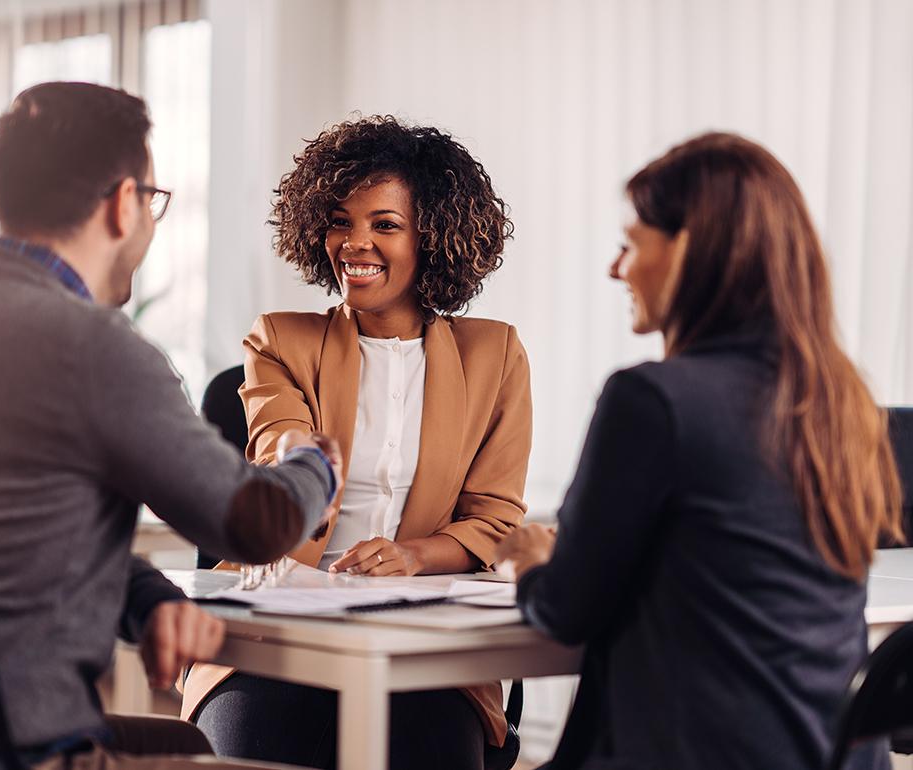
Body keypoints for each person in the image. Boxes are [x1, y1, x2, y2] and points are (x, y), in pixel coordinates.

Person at [0, 81, 341, 770]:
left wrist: (151, 601)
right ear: (124, 203)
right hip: (7, 754)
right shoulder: (92, 345)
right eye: (155, 203)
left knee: (188, 745)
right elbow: (258, 524)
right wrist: (317, 461)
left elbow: (21, 551)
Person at [496, 132, 904, 770]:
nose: (615, 268)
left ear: (688, 248)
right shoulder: (841, 401)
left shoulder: (651, 401)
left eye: (630, 244)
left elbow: (565, 610)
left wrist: (529, 560)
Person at [181, 115, 532, 770]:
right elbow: (280, 444)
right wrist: (297, 463)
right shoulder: (280, 340)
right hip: (278, 630)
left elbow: (494, 519)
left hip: (426, 646)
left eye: (384, 224)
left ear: (434, 235)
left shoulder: (496, 355)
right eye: (340, 220)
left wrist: (412, 556)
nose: (354, 243)